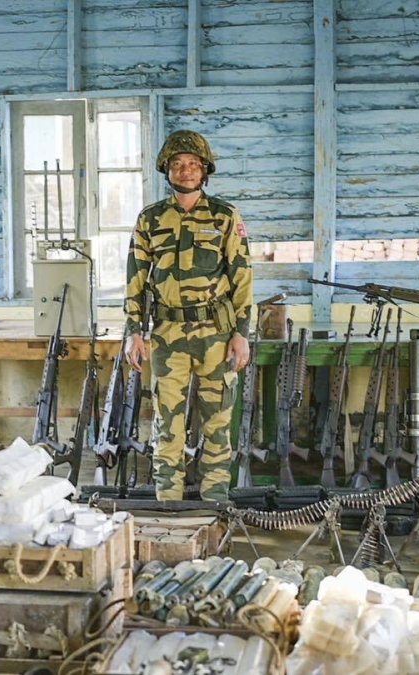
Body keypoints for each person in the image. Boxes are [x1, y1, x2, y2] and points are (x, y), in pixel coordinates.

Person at [123, 130, 253, 502]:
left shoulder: (225, 217)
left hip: (216, 332)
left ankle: (215, 503)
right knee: (167, 424)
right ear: (167, 169)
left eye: (193, 165)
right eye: (178, 165)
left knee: (217, 422)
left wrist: (242, 332)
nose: (185, 171)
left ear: (205, 170)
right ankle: (169, 503)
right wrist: (134, 330)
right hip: (167, 333)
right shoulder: (150, 219)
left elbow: (242, 276)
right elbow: (135, 277)